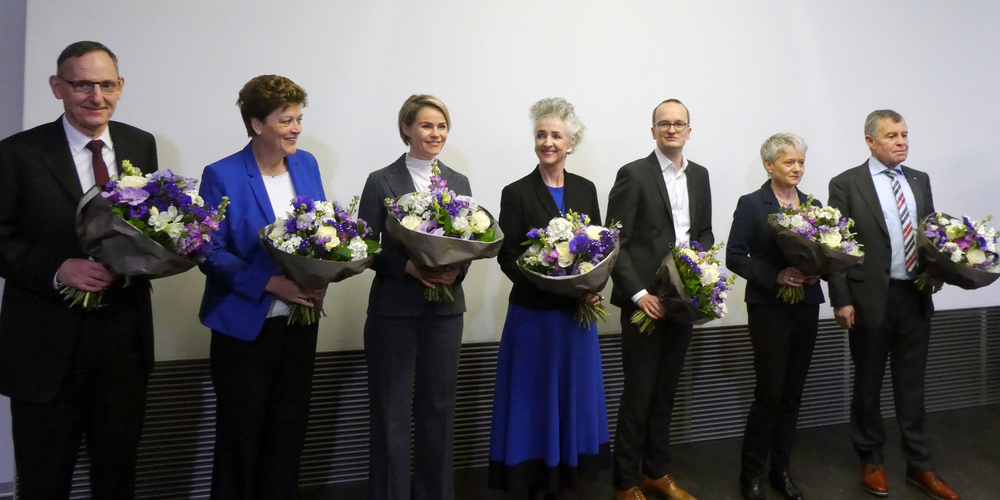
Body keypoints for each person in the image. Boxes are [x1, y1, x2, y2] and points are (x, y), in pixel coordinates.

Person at [0, 41, 158, 498]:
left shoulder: (139, 144)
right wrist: (57, 269)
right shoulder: (16, 154)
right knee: (45, 479)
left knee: (117, 474)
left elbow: (148, 229)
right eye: (82, 85)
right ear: (57, 87)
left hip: (123, 342)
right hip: (45, 348)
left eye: (107, 85)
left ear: (120, 87)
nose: (96, 97)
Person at [197, 75, 327, 500]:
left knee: (289, 435)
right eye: (286, 119)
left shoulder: (306, 164)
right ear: (257, 124)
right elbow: (209, 252)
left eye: (299, 119)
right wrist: (269, 283)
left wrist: (322, 275)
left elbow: (324, 233)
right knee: (240, 440)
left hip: (299, 322)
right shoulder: (222, 175)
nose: (296, 128)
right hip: (243, 329)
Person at [827, 110, 960, 500]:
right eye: (891, 136)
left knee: (912, 387)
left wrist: (939, 271)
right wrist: (842, 299)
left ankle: (921, 466)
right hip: (870, 300)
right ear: (870, 141)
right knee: (867, 386)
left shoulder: (919, 180)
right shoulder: (846, 183)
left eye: (904, 134)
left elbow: (930, 234)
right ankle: (872, 461)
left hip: (914, 297)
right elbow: (838, 247)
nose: (901, 141)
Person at [488, 97, 608, 500]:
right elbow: (506, 255)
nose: (547, 141)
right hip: (533, 317)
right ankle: (532, 479)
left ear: (571, 142)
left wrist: (592, 286)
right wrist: (546, 280)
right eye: (541, 134)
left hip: (575, 319)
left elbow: (600, 249)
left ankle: (566, 476)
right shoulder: (516, 192)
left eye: (556, 135)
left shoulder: (587, 190)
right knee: (533, 401)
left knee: (570, 398)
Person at [358, 94, 471, 500]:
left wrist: (455, 270)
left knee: (438, 411)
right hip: (394, 312)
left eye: (441, 126)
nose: (435, 134)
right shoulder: (380, 181)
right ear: (407, 128)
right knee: (391, 413)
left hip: (444, 312)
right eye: (426, 126)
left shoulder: (458, 183)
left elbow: (468, 243)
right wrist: (407, 267)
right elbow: (366, 247)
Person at [607, 99, 713, 500]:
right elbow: (617, 240)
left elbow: (702, 232)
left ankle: (656, 473)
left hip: (682, 305)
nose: (672, 130)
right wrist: (638, 295)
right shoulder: (633, 175)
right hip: (645, 305)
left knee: (667, 392)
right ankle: (625, 482)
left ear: (689, 130)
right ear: (653, 131)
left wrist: (699, 282)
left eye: (679, 124)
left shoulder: (700, 176)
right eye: (664, 124)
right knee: (638, 395)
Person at [727, 133, 823, 500]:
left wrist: (820, 269)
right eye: (789, 162)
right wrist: (776, 276)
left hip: (806, 305)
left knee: (793, 395)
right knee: (769, 393)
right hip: (769, 309)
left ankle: (780, 472)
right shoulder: (752, 204)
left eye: (800, 162)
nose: (797, 168)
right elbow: (735, 256)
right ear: (769, 165)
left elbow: (829, 251)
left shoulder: (814, 205)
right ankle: (750, 476)